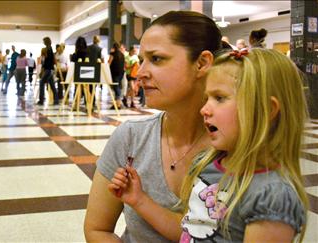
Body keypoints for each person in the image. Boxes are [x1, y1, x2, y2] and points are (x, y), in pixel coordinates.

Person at [109, 48, 308, 242]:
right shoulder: (208, 165)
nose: (204, 109)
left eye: (219, 98)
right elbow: (189, 231)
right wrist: (139, 200)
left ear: (266, 110)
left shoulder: (271, 196)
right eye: (207, 98)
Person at [84, 10, 221, 242]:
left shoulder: (235, 146)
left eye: (156, 59)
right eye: (141, 61)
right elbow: (97, 229)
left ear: (201, 63)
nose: (141, 73)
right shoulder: (130, 137)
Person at [37, 37, 58, 105]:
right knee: (52, 85)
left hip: (48, 69)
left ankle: (41, 100)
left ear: (46, 42)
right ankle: (56, 100)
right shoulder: (49, 48)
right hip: (50, 69)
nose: (43, 42)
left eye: (44, 41)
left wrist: (43, 69)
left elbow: (48, 61)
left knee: (41, 82)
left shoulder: (48, 49)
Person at [108, 42, 125, 109]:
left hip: (114, 73)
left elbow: (109, 63)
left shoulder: (113, 54)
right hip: (121, 73)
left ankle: (118, 103)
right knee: (117, 86)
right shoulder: (122, 54)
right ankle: (116, 104)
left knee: (116, 87)